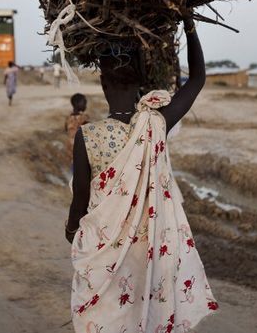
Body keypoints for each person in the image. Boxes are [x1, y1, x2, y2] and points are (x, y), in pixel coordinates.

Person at [65, 18, 218, 333]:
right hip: (146, 254)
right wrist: (189, 23)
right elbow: (198, 79)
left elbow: (80, 199)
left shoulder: (87, 136)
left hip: (102, 254)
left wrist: (71, 230)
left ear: (104, 85)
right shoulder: (156, 124)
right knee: (142, 320)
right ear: (140, 86)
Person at [64, 93, 89, 167]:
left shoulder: (68, 118)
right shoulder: (83, 119)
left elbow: (66, 130)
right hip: (81, 152)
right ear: (78, 104)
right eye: (84, 103)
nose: (85, 106)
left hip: (71, 152)